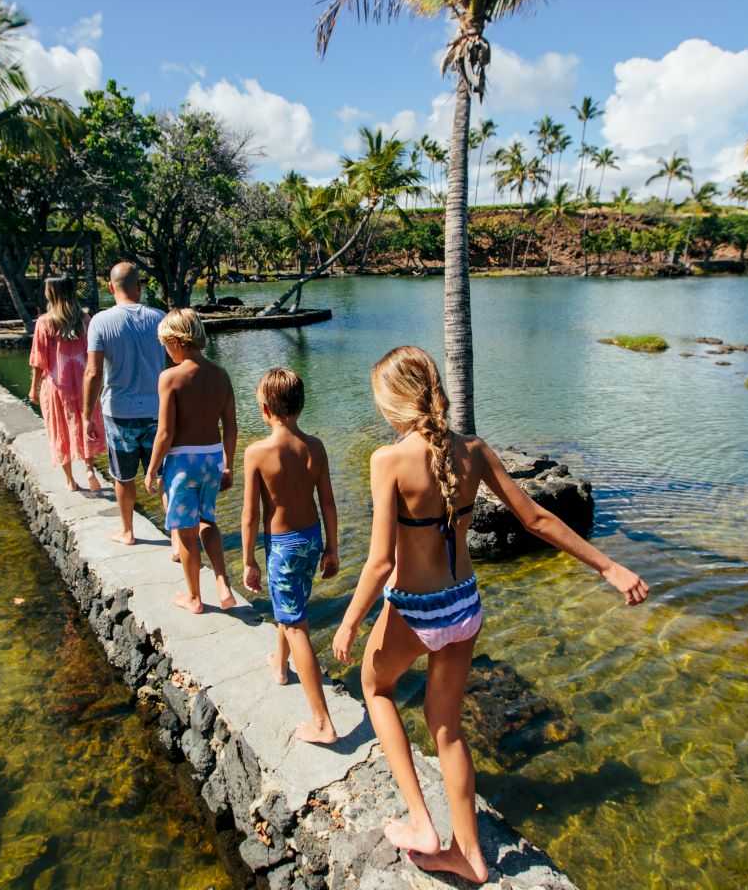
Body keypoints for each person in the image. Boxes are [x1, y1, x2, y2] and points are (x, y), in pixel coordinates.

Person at [332, 346, 649, 885]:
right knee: (447, 728)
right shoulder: (474, 450)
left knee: (376, 687)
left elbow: (382, 559)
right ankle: (470, 855)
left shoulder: (387, 460)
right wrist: (609, 568)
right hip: (465, 606)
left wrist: (349, 620)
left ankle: (421, 824)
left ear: (393, 404)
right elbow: (537, 519)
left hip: (416, 609)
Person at [241, 367, 340, 744]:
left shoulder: (257, 453)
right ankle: (281, 667)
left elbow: (250, 515)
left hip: (282, 547)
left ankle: (322, 721)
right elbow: (327, 502)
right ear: (301, 405)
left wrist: (249, 560)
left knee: (296, 625)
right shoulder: (315, 447)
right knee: (291, 607)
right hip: (312, 539)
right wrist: (332, 548)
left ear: (265, 409)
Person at [144, 308, 237, 613]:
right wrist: (228, 465)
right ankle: (223, 582)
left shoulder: (170, 378)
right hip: (212, 459)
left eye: (166, 345)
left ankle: (195, 597)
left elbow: (165, 432)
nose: (166, 352)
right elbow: (231, 428)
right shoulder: (221, 376)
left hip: (183, 464)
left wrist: (152, 469)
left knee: (185, 532)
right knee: (207, 520)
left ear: (176, 342)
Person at [83, 262, 168, 545]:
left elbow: (93, 373)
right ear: (139, 287)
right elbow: (172, 368)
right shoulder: (160, 318)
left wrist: (86, 416)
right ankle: (179, 541)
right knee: (163, 476)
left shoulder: (100, 321)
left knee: (124, 476)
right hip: (158, 412)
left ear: (110, 287)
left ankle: (128, 532)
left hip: (119, 413)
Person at [28, 275, 105, 492]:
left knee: (59, 429)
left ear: (51, 293)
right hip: (84, 383)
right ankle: (90, 468)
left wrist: (33, 388)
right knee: (85, 423)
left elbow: (38, 361)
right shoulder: (85, 319)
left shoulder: (44, 322)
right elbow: (95, 353)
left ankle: (70, 481)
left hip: (56, 385)